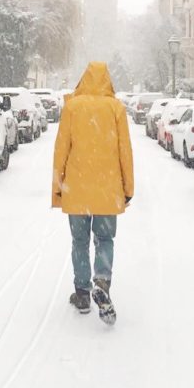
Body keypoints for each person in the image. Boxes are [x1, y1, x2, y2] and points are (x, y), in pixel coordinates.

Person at [52, 61, 134, 325]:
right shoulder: (116, 108)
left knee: (79, 241)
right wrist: (128, 188)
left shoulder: (72, 107)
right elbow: (125, 152)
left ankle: (83, 293)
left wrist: (58, 186)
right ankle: (102, 281)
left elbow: (61, 149)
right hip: (108, 189)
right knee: (105, 239)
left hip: (77, 188)